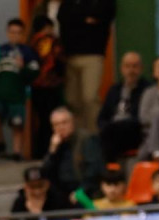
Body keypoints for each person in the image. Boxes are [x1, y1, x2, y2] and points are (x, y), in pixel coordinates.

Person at [58, 0, 116, 133]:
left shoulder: (100, 3)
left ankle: (94, 137)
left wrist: (75, 20)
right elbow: (63, 17)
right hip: (70, 55)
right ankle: (78, 140)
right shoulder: (69, 3)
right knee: (72, 100)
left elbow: (105, 13)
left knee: (90, 98)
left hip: (93, 54)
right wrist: (84, 20)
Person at [0, 18, 39, 159]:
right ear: (7, 32)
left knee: (17, 125)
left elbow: (34, 74)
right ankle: (0, 144)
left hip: (17, 96)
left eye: (18, 33)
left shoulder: (27, 52)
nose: (15, 35)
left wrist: (23, 68)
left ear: (23, 34)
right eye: (12, 32)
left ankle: (17, 153)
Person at [97, 52, 149, 161]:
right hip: (112, 129)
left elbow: (143, 118)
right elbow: (102, 117)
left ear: (141, 68)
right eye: (127, 66)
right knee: (96, 138)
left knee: (112, 133)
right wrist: (105, 126)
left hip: (134, 130)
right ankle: (108, 171)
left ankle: (110, 173)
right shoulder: (114, 89)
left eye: (135, 66)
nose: (131, 70)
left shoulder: (147, 89)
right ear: (122, 68)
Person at [29, 16, 65, 161]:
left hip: (36, 86)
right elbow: (57, 60)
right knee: (51, 121)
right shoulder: (51, 40)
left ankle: (39, 151)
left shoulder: (31, 42)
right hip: (50, 85)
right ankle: (50, 152)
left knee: (42, 120)